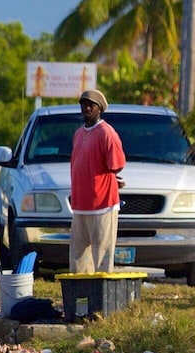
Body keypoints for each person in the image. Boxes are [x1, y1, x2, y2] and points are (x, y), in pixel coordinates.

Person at [69, 89, 126, 274]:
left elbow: (116, 164)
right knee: (77, 254)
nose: (86, 108)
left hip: (102, 203)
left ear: (99, 108)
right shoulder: (78, 133)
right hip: (80, 204)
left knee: (101, 254)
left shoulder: (107, 132)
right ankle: (79, 294)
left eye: (91, 105)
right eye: (83, 104)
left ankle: (101, 296)